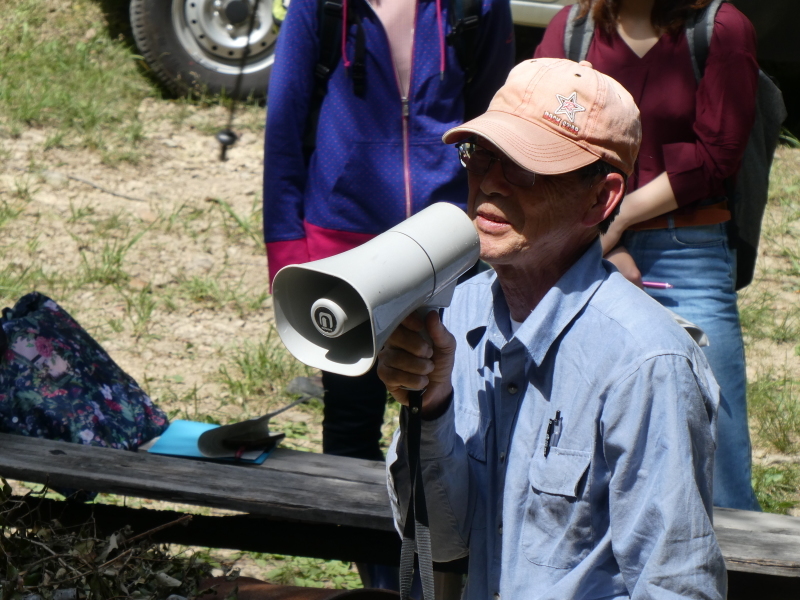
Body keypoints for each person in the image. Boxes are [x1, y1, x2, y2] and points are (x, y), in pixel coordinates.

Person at [380, 58, 727, 599]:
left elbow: (675, 584)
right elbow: (442, 543)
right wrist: (431, 408)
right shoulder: (454, 313)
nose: (489, 182)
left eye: (523, 165)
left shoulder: (646, 362)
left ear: (601, 198)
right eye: (480, 154)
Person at [263, 0, 514, 464]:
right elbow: (284, 125)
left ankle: (431, 536)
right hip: (342, 241)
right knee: (349, 420)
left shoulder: (475, 5)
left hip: (448, 242)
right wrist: (286, 251)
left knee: (447, 414)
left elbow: (497, 126)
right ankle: (347, 534)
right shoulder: (321, 6)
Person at [534, 0, 760, 511]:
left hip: (686, 249)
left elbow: (717, 153)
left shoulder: (722, 29)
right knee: (575, 430)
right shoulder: (573, 28)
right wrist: (600, 243)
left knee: (717, 443)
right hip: (583, 248)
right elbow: (540, 133)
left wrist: (622, 219)